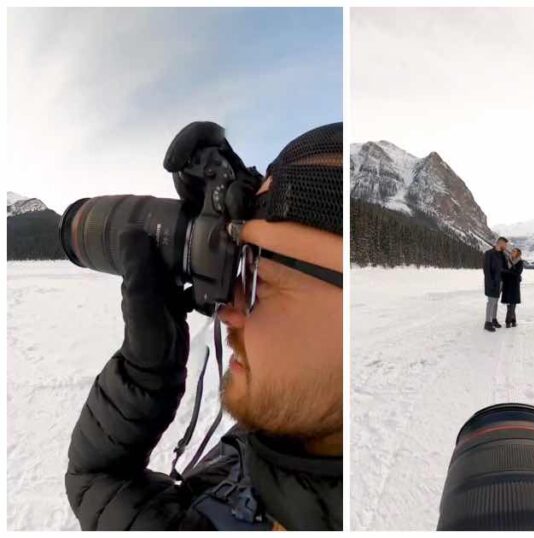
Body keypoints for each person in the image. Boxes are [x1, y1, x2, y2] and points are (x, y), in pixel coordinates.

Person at [64, 123, 344, 530]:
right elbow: (100, 485)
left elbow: (96, 480)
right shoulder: (268, 443)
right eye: (240, 263)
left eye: (258, 280)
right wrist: (146, 374)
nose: (228, 310)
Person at [483, 237, 508, 332]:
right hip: (492, 282)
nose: (506, 246)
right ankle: (487, 322)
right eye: (505, 245)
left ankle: (493, 319)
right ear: (500, 243)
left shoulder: (502, 255)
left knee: (495, 302)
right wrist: (490, 283)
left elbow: (505, 268)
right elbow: (486, 270)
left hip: (500, 283)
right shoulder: (489, 253)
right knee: (491, 302)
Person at [501, 248, 524, 328]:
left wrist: (506, 271)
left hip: (514, 286)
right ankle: (513, 321)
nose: (512, 252)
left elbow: (517, 273)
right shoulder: (508, 261)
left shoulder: (520, 262)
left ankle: (508, 322)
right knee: (510, 305)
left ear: (518, 253)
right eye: (512, 251)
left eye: (514, 251)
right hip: (507, 285)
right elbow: (503, 273)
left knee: (512, 304)